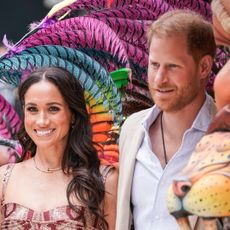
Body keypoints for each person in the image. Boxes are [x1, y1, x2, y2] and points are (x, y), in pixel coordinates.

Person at [116, 9, 217, 230]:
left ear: (204, 67)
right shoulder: (132, 130)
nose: (160, 79)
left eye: (172, 66)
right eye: (154, 65)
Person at [0, 66, 117, 229]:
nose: (42, 121)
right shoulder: (4, 178)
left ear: (73, 115)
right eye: (32, 109)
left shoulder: (104, 181)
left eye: (53, 109)